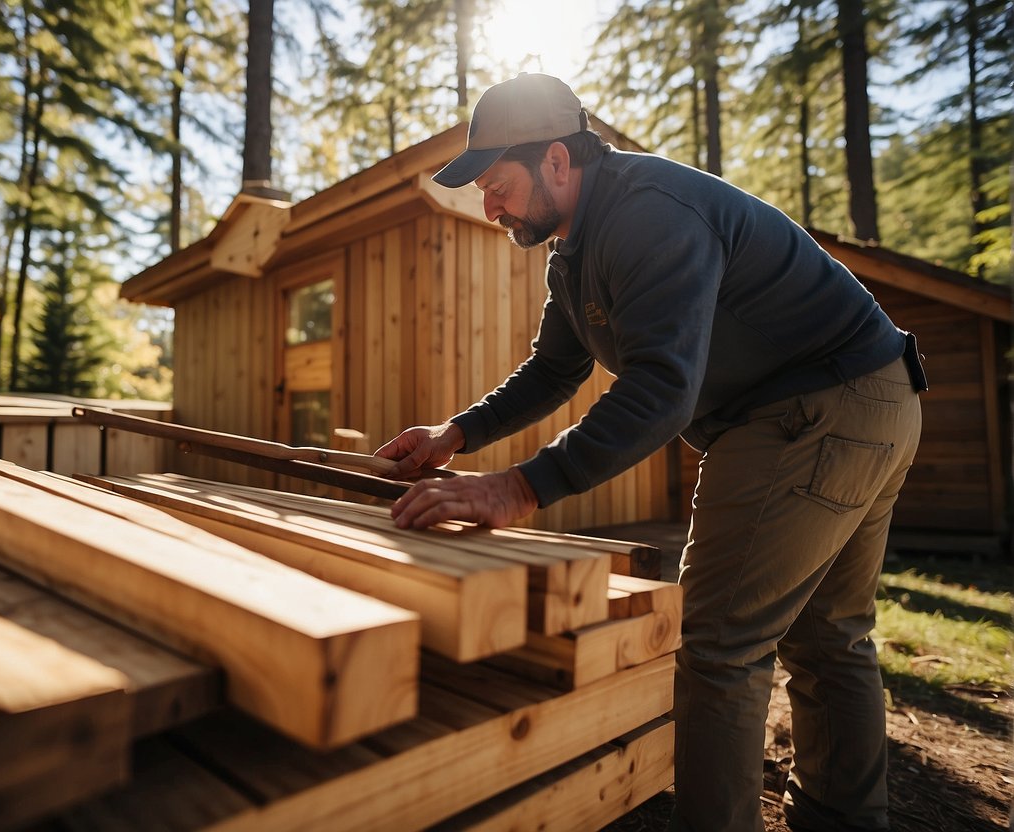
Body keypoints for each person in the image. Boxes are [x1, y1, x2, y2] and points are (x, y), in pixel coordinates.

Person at [374, 72, 925, 832]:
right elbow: (554, 368)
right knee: (828, 635)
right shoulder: (572, 251)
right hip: (871, 400)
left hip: (814, 408)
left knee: (719, 646)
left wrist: (521, 488)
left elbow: (662, 387)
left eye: (497, 184)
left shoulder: (646, 211)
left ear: (558, 162)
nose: (488, 205)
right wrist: (455, 434)